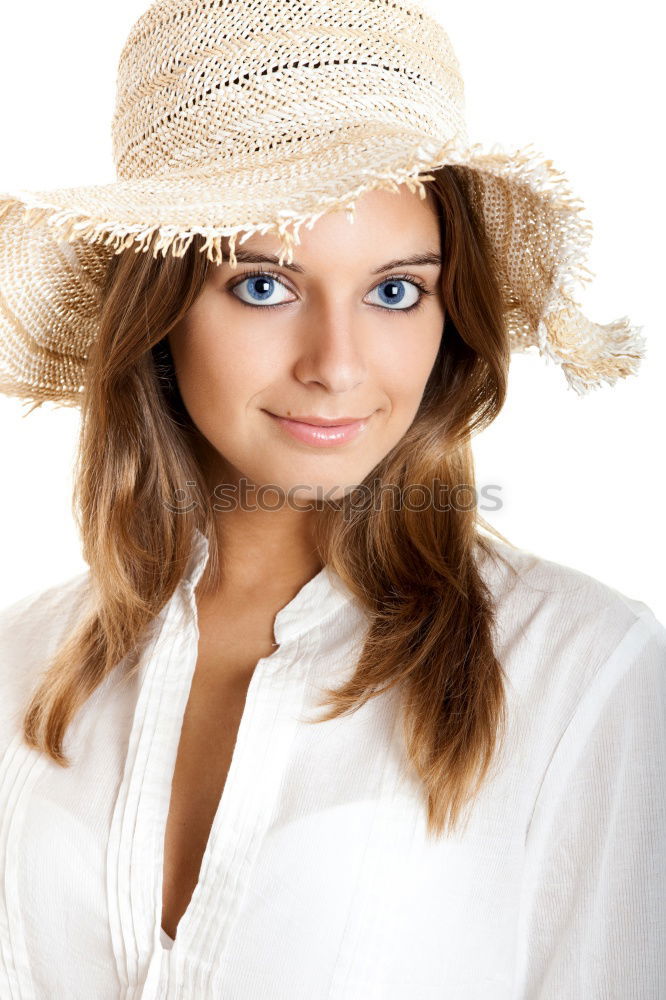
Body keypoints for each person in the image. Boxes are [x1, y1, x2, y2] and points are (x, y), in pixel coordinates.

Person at [0, 1, 663, 997]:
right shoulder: (20, 661)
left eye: (395, 291)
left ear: (451, 310)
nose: (338, 366)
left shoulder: (582, 671)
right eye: (264, 284)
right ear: (158, 308)